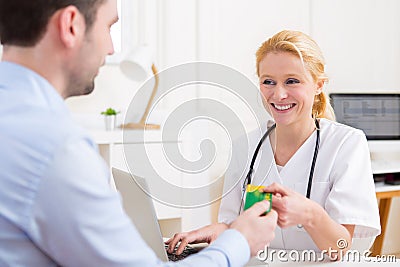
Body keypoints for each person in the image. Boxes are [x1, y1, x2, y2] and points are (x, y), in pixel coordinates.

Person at [0, 0, 278, 266]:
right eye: (109, 27)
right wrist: (240, 241)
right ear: (71, 25)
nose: (110, 48)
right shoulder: (56, 149)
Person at [167, 30, 381, 257]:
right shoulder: (245, 146)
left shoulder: (346, 144)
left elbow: (340, 248)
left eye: (292, 81)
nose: (278, 95)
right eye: (268, 82)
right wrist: (214, 231)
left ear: (318, 85)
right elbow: (235, 227)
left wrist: (309, 215)